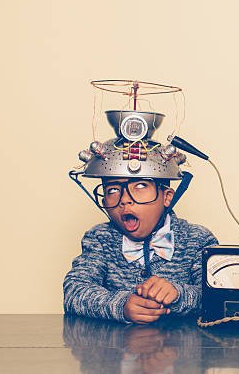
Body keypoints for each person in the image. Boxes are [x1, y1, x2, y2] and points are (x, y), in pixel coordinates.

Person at [64, 110, 217, 323]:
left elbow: (216, 296)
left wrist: (179, 294)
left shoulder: (197, 239)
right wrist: (121, 305)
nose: (125, 199)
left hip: (182, 351)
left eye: (141, 186)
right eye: (112, 190)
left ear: (167, 197)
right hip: (113, 352)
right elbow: (75, 291)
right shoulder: (100, 239)